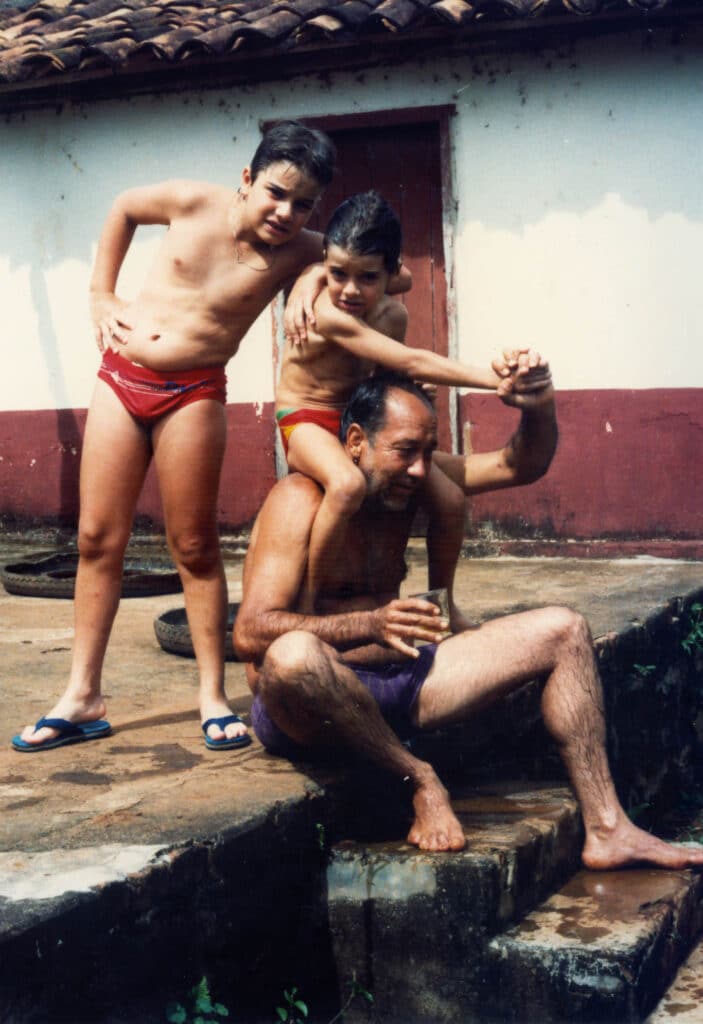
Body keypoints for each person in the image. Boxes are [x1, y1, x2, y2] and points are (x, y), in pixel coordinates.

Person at [233, 367, 703, 869]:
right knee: (292, 656)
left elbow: (517, 464)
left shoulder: (410, 484)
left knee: (564, 629)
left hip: (403, 682)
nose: (418, 469)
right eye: (405, 450)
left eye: (427, 453)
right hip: (312, 704)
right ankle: (419, 778)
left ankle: (609, 827)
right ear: (355, 442)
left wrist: (538, 402)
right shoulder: (298, 500)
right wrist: (367, 624)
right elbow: (250, 632)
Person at [12, 120, 344, 754]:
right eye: (276, 192)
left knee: (192, 544)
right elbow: (124, 207)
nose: (286, 211)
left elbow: (380, 269)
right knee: (95, 538)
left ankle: (213, 697)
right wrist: (100, 292)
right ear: (247, 179)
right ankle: (83, 694)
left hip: (193, 394)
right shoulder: (193, 202)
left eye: (303, 204)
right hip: (121, 378)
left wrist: (311, 277)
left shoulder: (302, 248)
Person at [276, 190, 547, 612]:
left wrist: (409, 392)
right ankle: (307, 604)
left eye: (367, 277)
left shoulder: (392, 316)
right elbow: (413, 359)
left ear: (388, 273)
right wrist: (499, 380)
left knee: (451, 498)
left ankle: (443, 604)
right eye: (336, 273)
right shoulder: (326, 314)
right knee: (347, 485)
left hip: (361, 418)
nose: (348, 290)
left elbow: (394, 369)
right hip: (306, 419)